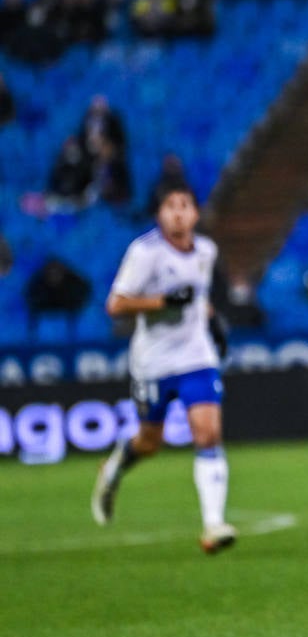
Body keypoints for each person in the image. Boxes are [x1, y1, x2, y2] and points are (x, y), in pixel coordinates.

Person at [91, 183, 235, 554]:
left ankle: (213, 524)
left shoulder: (206, 250)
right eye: (170, 206)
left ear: (195, 214)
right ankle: (114, 469)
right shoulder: (144, 252)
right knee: (149, 443)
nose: (177, 212)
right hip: (153, 362)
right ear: (160, 214)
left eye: (184, 205)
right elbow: (116, 305)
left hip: (196, 357)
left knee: (207, 433)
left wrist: (213, 321)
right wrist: (162, 301)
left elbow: (198, 297)